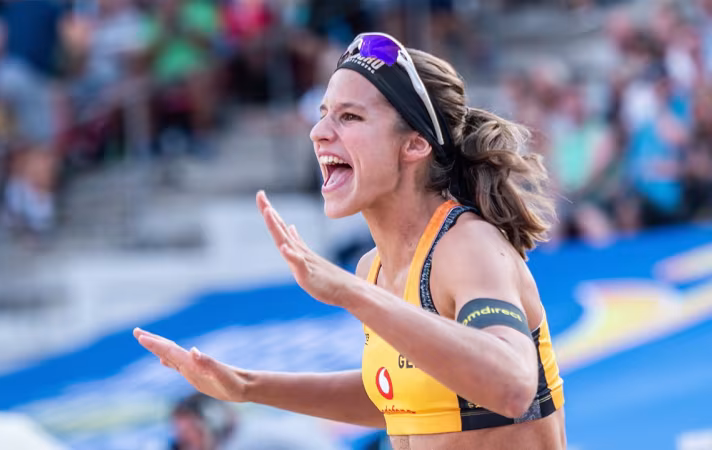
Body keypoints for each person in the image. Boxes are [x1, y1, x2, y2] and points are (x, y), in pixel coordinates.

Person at [135, 32, 566, 450]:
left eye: (349, 117)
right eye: (323, 113)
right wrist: (245, 386)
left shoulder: (466, 244)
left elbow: (513, 387)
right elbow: (396, 398)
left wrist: (351, 294)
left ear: (415, 145)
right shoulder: (372, 268)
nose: (318, 131)